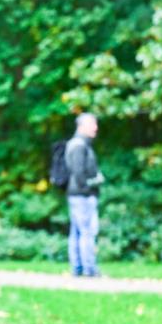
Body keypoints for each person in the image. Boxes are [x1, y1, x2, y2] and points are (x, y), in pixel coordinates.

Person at [65, 113, 104, 277]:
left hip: (78, 194)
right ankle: (89, 269)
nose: (96, 128)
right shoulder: (79, 145)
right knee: (87, 231)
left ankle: (78, 268)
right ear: (82, 126)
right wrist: (94, 183)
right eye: (92, 124)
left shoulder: (78, 144)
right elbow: (79, 173)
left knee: (77, 232)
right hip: (82, 196)